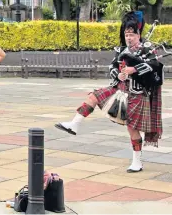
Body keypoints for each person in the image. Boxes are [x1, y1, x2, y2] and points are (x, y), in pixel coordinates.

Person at [55, 11, 163, 173]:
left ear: (138, 34)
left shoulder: (146, 50)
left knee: (132, 128)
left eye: (132, 34)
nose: (129, 38)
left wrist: (134, 69)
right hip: (120, 89)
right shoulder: (121, 50)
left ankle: (137, 161)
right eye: (126, 34)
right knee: (94, 96)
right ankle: (74, 124)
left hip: (138, 93)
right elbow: (112, 67)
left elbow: (155, 66)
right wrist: (118, 74)